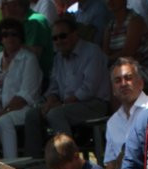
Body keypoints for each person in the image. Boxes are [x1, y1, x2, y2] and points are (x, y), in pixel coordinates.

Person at [24, 14, 110, 158]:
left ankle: (68, 160)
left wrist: (60, 104)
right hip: (67, 105)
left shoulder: (92, 52)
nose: (59, 41)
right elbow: (54, 86)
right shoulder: (58, 58)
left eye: (62, 36)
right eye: (55, 38)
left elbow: (88, 89)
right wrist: (51, 99)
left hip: (94, 104)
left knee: (55, 113)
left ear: (75, 34)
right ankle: (36, 168)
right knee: (32, 114)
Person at [0, 18, 42, 158]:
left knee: (4, 121)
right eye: (5, 34)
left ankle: (12, 165)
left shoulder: (29, 59)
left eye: (13, 34)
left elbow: (24, 97)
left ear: (20, 37)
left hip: (21, 110)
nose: (9, 38)